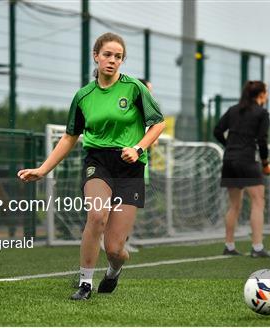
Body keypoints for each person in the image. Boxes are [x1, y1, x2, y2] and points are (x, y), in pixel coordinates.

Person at [18, 32, 165, 300]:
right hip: (97, 162)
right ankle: (85, 283)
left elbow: (158, 123)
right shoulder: (83, 96)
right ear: (95, 56)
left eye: (118, 57)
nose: (112, 60)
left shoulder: (134, 89)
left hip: (130, 167)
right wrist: (43, 169)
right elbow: (69, 137)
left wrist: (138, 148)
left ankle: (113, 270)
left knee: (114, 248)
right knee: (97, 216)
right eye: (107, 55)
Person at [213, 81, 270, 258]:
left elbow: (217, 130)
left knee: (234, 205)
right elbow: (262, 141)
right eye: (267, 92)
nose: (267, 95)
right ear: (261, 94)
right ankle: (257, 248)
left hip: (230, 160)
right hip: (247, 160)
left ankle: (229, 246)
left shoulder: (233, 110)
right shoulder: (262, 113)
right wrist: (265, 163)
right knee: (258, 202)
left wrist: (229, 146)